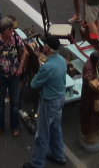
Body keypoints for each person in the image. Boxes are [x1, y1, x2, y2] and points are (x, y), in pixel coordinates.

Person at [25, 36, 67, 168]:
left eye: (44, 44)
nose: (43, 45)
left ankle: (37, 164)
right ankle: (58, 155)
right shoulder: (61, 60)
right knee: (56, 129)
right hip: (60, 99)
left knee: (42, 134)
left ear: (48, 47)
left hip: (49, 103)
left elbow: (34, 83)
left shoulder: (47, 67)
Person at [0, 16, 25, 138]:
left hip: (14, 76)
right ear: (4, 31)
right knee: (0, 104)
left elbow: (24, 51)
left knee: (15, 103)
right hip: (1, 77)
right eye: (10, 29)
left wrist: (20, 66)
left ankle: (15, 126)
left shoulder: (16, 39)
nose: (12, 31)